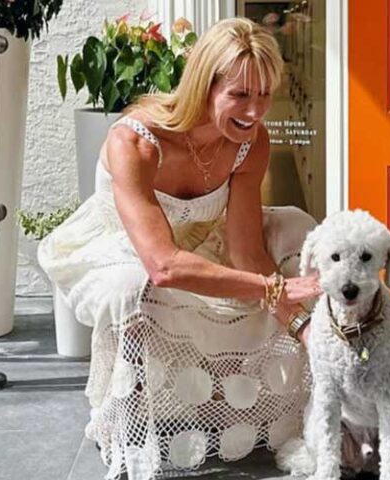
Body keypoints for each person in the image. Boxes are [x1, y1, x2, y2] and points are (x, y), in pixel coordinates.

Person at [38, 18, 321, 479]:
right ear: (204, 86)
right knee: (135, 284)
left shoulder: (251, 143)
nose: (256, 110)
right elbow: (163, 264)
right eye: (240, 95)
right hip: (129, 249)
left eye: (265, 94)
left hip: (204, 241)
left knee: (295, 228)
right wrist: (274, 290)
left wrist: (303, 322)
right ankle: (133, 431)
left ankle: (267, 404)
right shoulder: (134, 141)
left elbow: (247, 253)